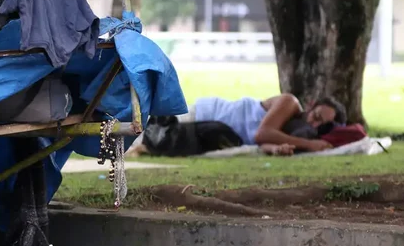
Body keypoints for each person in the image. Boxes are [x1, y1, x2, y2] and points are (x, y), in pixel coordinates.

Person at [129, 94, 347, 157]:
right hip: (209, 114)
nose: (313, 123)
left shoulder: (296, 132)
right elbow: (263, 133)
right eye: (316, 115)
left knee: (153, 142)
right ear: (311, 105)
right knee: (143, 134)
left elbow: (261, 143)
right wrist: (310, 145)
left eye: (321, 124)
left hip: (214, 133)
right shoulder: (290, 103)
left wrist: (278, 149)